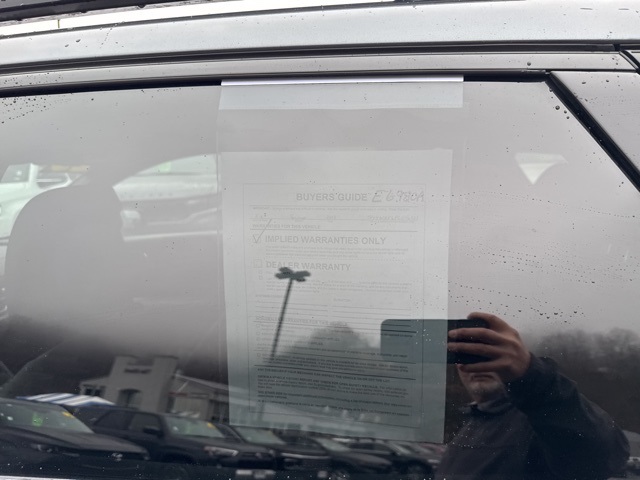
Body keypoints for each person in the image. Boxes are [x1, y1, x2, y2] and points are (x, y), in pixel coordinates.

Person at [436, 312, 629, 480]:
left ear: (512, 359)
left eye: (487, 354)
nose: (475, 365)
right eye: (464, 355)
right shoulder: (470, 425)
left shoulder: (540, 421)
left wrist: (530, 374)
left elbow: (604, 454)